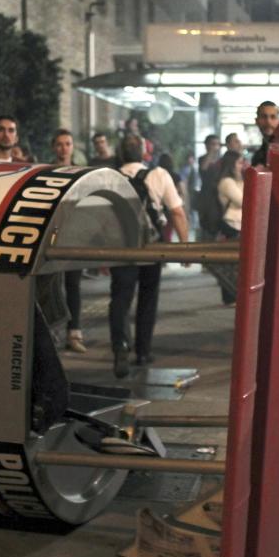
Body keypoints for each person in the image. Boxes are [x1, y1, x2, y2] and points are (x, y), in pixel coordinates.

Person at [110, 134, 189, 377]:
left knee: (120, 298)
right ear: (145, 153)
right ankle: (143, 351)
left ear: (120, 154)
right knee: (148, 297)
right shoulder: (159, 175)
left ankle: (121, 348)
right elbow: (176, 212)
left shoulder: (109, 177)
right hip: (152, 246)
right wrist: (185, 247)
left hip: (121, 247)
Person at [50, 130, 86, 352]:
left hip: (75, 235)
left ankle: (74, 333)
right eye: (60, 144)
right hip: (52, 236)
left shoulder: (83, 173)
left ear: (73, 147)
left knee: (73, 285)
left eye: (68, 144)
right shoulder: (48, 172)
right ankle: (51, 333)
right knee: (52, 285)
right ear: (54, 147)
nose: (64, 148)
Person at [216, 150, 244, 241]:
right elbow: (242, 201)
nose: (242, 166)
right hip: (232, 223)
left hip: (238, 223)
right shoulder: (227, 182)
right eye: (239, 163)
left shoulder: (236, 180)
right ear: (232, 164)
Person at [250, 101, 279, 167]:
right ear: (257, 121)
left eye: (273, 117)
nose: (268, 122)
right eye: (264, 117)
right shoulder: (258, 155)